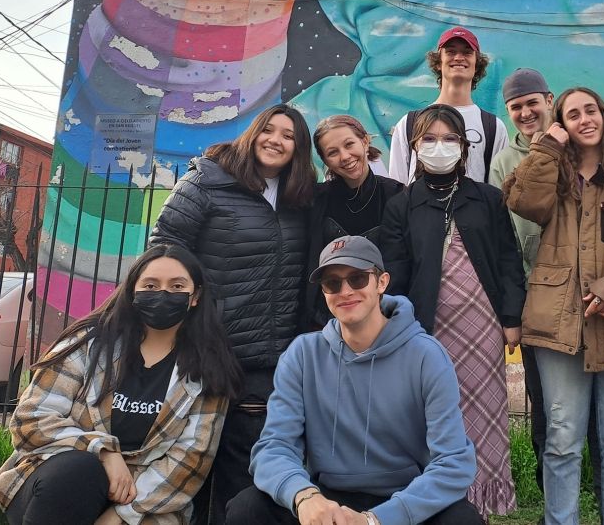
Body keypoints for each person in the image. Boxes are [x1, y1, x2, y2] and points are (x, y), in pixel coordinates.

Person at [224, 235, 483, 525]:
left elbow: (453, 463)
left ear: (381, 282)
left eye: (357, 279)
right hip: (327, 500)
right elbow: (273, 446)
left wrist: (376, 520)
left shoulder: (427, 356)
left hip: (405, 499)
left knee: (462, 519)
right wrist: (305, 497)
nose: (345, 291)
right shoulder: (302, 354)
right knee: (248, 507)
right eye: (332, 283)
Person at [0, 244, 242, 525]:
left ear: (195, 297)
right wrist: (104, 450)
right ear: (133, 291)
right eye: (151, 284)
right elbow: (30, 420)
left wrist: (121, 514)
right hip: (61, 483)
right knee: (79, 470)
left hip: (147, 501)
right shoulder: (88, 344)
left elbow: (190, 460)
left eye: (177, 285)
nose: (163, 293)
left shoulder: (208, 370)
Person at [149, 103, 316, 523]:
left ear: (299, 149)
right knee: (186, 456)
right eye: (269, 130)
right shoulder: (208, 179)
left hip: (265, 357)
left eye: (289, 135)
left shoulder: (299, 197)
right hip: (208, 346)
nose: (276, 140)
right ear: (253, 133)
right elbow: (165, 246)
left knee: (243, 467)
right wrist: (186, 311)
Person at [503, 86, 604, 525]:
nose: (585, 119)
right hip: (557, 326)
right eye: (573, 114)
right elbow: (523, 201)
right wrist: (549, 144)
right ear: (562, 125)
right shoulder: (552, 179)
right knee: (562, 440)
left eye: (592, 110)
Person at [381, 103, 524, 518]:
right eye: (429, 139)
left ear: (463, 147)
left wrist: (511, 318)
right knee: (434, 411)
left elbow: (508, 259)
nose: (439, 147)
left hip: (483, 325)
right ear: (414, 146)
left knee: (484, 408)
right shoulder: (402, 205)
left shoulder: (487, 198)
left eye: (449, 139)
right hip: (427, 328)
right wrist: (400, 329)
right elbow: (395, 274)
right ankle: (436, 499)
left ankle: (484, 498)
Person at [306, 114, 404, 330]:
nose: (345, 156)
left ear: (365, 141)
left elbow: (402, 264)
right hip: (326, 322)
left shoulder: (397, 196)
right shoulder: (316, 201)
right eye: (332, 152)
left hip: (382, 321)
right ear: (325, 160)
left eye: (349, 144)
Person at [387, 27, 508, 185]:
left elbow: (496, 192)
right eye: (451, 52)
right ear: (438, 62)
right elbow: (398, 188)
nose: (458, 57)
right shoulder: (409, 123)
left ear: (476, 64)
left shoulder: (493, 127)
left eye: (467, 52)